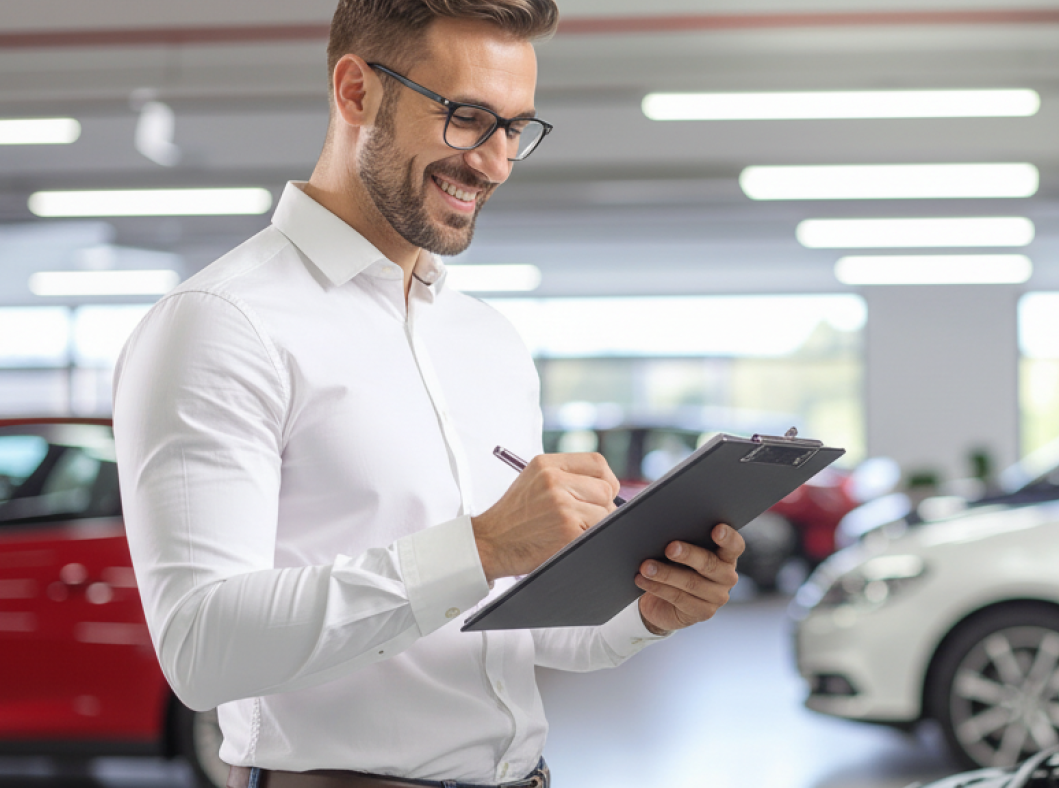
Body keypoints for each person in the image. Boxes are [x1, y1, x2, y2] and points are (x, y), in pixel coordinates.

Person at [112, 1, 745, 786]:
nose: (495, 163)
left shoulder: (488, 341)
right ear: (356, 92)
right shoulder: (221, 325)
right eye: (467, 118)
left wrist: (645, 608)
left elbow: (509, 628)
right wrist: (480, 547)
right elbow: (202, 649)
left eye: (515, 128)